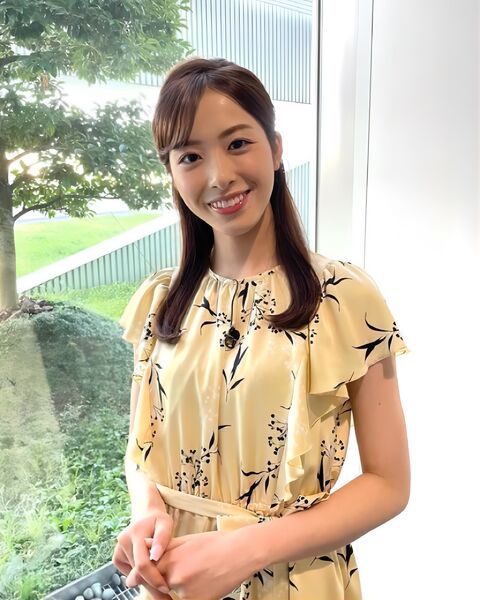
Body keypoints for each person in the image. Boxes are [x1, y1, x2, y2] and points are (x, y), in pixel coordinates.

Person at [112, 56, 411, 600]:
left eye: (237, 143)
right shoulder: (162, 301)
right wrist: (146, 509)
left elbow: (389, 484)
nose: (219, 176)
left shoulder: (344, 298)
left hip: (293, 581)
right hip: (175, 579)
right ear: (172, 172)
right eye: (190, 156)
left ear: (275, 148)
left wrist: (244, 549)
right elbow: (140, 449)